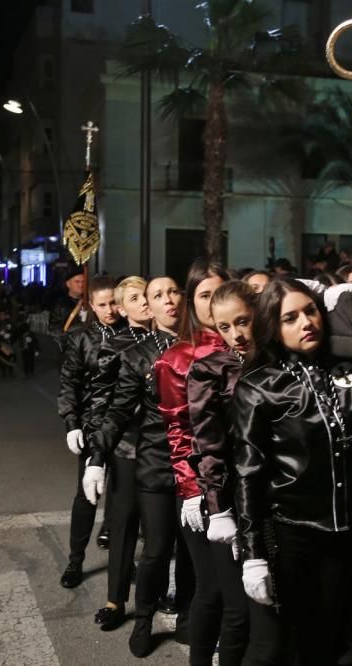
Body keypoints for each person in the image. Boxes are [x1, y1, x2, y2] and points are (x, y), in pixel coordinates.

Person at [232, 277, 352, 665]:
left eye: (310, 311)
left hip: (350, 531)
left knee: (339, 637)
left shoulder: (345, 367)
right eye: (289, 318)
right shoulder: (259, 386)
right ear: (272, 329)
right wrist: (252, 553)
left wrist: (338, 295)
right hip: (295, 535)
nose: (305, 322)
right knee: (297, 646)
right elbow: (248, 472)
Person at [83, 276, 192, 657]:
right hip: (156, 463)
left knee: (192, 548)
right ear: (148, 304)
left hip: (197, 467)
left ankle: (189, 614)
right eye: (158, 295)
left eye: (174, 292)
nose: (168, 301)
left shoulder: (202, 345)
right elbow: (116, 409)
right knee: (157, 548)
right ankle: (143, 618)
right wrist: (96, 458)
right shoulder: (138, 353)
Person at [153, 261, 242, 666]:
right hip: (201, 491)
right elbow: (178, 431)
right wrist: (192, 491)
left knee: (233, 589)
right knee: (214, 589)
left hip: (238, 484)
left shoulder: (243, 344)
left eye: (220, 292)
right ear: (192, 301)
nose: (213, 303)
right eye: (205, 295)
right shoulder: (177, 357)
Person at [187, 280, 262, 664]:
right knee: (236, 610)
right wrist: (218, 508)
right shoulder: (208, 369)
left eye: (243, 321)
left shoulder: (277, 358)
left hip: (272, 497)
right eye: (225, 327)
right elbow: (208, 444)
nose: (236, 334)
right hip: (228, 496)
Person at [83, 276, 154, 631]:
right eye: (135, 298)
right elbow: (101, 401)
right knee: (124, 523)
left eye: (147, 295)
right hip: (126, 446)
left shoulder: (169, 339)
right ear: (122, 308)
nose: (144, 302)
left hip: (164, 446)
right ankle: (115, 599)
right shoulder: (117, 345)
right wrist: (99, 451)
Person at [57, 276, 124, 589]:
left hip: (126, 426)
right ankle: (75, 559)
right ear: (91, 305)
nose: (110, 310)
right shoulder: (80, 338)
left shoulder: (133, 334)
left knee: (122, 493)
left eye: (114, 302)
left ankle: (118, 553)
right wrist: (71, 422)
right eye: (102, 304)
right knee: (86, 495)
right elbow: (69, 383)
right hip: (92, 425)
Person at [49, 267, 87, 346]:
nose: (81, 284)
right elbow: (54, 329)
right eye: (77, 281)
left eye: (83, 281)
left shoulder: (90, 302)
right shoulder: (61, 304)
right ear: (68, 284)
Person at [0, 308, 16, 378]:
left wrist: (9, 334)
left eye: (3, 315)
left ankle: (11, 371)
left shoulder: (8, 323)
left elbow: (13, 330)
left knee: (8, 357)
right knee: (0, 359)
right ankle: (3, 371)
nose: (2, 316)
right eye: (0, 315)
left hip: (6, 344)